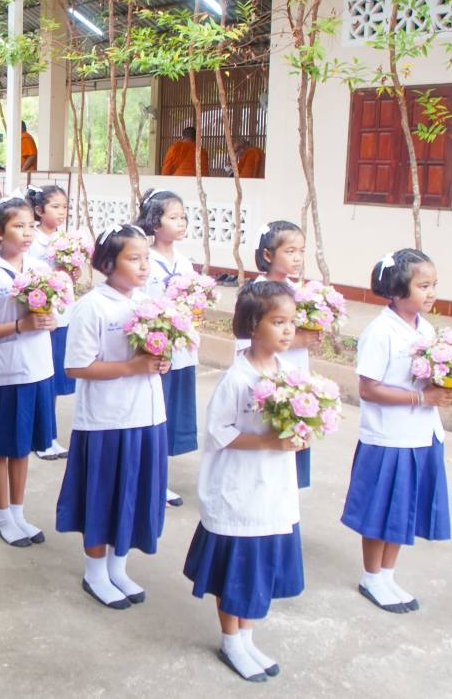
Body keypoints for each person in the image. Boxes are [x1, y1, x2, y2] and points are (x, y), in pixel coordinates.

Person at [184, 280, 306, 683]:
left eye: (291, 322)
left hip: (272, 485)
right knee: (234, 564)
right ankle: (230, 640)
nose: (288, 330)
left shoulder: (286, 372)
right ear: (253, 324)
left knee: (257, 564)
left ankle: (247, 636)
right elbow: (220, 431)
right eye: (278, 322)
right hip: (238, 486)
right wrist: (271, 440)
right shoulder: (238, 378)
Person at [56, 224, 171, 609]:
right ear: (109, 263)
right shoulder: (93, 306)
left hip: (147, 416)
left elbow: (152, 356)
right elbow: (76, 367)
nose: (143, 267)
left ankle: (118, 567)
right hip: (106, 422)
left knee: (134, 494)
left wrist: (160, 362)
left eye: (146, 259)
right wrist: (132, 366)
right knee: (102, 496)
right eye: (133, 259)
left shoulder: (148, 303)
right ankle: (94, 572)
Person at [342, 248, 452, 614]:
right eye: (423, 285)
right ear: (396, 289)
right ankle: (371, 575)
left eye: (434, 284)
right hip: (389, 437)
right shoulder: (380, 332)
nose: (431, 292)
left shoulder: (427, 328)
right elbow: (368, 388)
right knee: (381, 508)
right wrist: (422, 400)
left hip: (422, 434)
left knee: (403, 508)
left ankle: (388, 575)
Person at [0, 198, 58, 546]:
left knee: (23, 448)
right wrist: (20, 325)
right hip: (5, 374)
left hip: (37, 369)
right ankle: (2, 515)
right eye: (19, 226)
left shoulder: (39, 268)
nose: (27, 233)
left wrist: (47, 322)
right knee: (2, 447)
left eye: (31, 226)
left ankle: (19, 513)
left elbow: (52, 314)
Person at [240, 221, 316, 489]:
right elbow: (243, 342)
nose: (297, 258)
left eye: (301, 251)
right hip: (266, 386)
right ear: (269, 255)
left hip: (295, 383)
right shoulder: (256, 293)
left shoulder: (301, 293)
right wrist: (299, 340)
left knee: (291, 464)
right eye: (290, 251)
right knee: (266, 458)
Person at [136, 189, 199, 507]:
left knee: (172, 415)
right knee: (154, 414)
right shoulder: (147, 261)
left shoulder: (185, 263)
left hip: (182, 349)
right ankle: (150, 480)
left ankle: (161, 478)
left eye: (183, 217)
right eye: (173, 217)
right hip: (158, 348)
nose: (181, 223)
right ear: (154, 222)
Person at [26, 185, 75, 460]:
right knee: (41, 376)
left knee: (55, 377)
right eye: (55, 206)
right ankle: (40, 436)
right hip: (41, 315)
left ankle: (49, 434)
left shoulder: (67, 240)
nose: (61, 212)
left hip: (63, 313)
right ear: (39, 210)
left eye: (65, 207)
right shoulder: (31, 239)